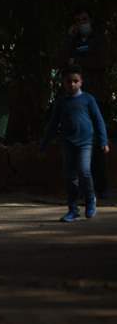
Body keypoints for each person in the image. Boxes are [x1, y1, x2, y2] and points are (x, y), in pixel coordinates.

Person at [40, 65, 109, 222]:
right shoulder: (61, 102)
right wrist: (44, 144)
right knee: (70, 176)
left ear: (81, 82)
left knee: (84, 171)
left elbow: (98, 121)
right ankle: (73, 209)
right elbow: (52, 124)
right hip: (67, 143)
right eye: (68, 81)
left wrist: (103, 141)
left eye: (75, 81)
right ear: (63, 83)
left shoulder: (88, 99)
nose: (72, 84)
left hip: (85, 142)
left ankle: (90, 200)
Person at [58, 8, 111, 197]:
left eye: (85, 19)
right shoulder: (73, 42)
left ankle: (101, 187)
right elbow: (61, 60)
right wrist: (68, 38)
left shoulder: (99, 40)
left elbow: (102, 61)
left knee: (97, 143)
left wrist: (78, 62)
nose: (82, 23)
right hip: (75, 102)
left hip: (96, 97)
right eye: (78, 20)